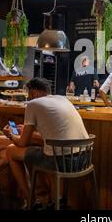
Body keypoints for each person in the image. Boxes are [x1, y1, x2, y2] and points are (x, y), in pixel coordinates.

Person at [5, 77, 89, 206]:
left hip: (61, 162)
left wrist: (11, 135)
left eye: (29, 95)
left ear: (33, 93)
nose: (29, 98)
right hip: (84, 159)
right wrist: (28, 132)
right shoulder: (63, 99)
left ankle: (31, 201)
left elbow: (22, 143)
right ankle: (54, 200)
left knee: (11, 150)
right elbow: (53, 134)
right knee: (41, 151)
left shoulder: (33, 104)